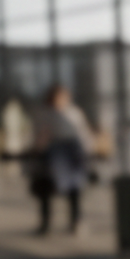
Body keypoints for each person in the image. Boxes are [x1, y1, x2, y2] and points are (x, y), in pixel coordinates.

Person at [30, 84, 96, 235]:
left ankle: (76, 220)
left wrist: (89, 149)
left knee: (75, 188)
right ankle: (45, 223)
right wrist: (39, 146)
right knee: (46, 189)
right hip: (52, 155)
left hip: (72, 155)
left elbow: (83, 133)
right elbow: (38, 135)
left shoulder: (73, 113)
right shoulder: (43, 113)